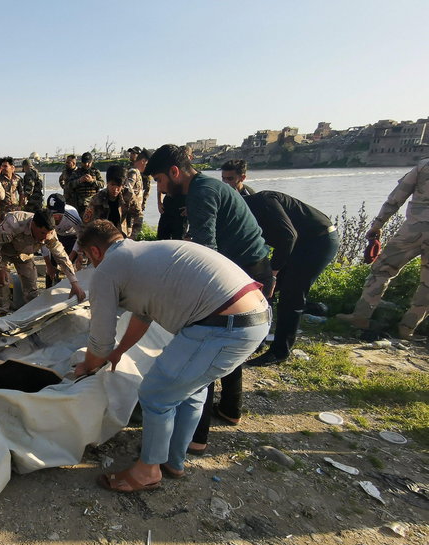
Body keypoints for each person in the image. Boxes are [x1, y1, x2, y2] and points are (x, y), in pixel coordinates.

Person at [74, 220, 269, 492]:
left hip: (224, 326)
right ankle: (174, 462)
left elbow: (100, 338)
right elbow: (143, 316)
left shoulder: (108, 268)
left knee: (156, 393)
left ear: (95, 252)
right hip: (255, 316)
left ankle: (147, 472)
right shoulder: (143, 254)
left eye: (86, 257)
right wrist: (119, 353)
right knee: (191, 391)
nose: (90, 263)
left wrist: (89, 365)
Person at [146, 144, 272, 454]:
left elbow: (206, 253)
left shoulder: (201, 192)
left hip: (238, 271)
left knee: (208, 347)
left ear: (175, 172)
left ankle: (196, 438)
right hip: (250, 267)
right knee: (230, 346)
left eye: (160, 180)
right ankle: (231, 409)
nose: (161, 189)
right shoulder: (207, 187)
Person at [243, 191, 339, 366]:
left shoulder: (262, 202)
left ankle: (279, 352)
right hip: (299, 243)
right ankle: (259, 341)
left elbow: (288, 236)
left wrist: (273, 273)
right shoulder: (244, 212)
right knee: (264, 291)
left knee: (291, 295)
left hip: (319, 240)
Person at [337, 159, 429, 340]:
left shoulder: (424, 166)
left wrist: (378, 224)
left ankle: (360, 317)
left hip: (414, 230)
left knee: (382, 269)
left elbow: (397, 197)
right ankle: (407, 329)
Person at [0, 209, 85, 315]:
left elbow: (61, 256)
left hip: (25, 254)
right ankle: (2, 315)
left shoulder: (49, 233)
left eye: (48, 234)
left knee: (30, 284)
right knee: (1, 280)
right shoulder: (14, 223)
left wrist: (74, 283)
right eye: (42, 233)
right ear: (33, 225)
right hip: (3, 252)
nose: (44, 239)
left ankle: (31, 314)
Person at [85, 165, 141, 237]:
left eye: (118, 186)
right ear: (107, 183)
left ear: (123, 185)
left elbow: (138, 215)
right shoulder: (97, 198)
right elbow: (86, 223)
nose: (115, 189)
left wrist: (132, 237)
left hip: (122, 235)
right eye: (112, 185)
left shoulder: (128, 196)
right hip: (103, 237)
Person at [42, 193, 83, 286]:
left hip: (73, 237)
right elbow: (44, 242)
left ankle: (72, 287)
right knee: (52, 264)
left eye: (58, 214)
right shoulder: (45, 216)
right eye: (53, 214)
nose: (55, 217)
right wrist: (48, 265)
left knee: (70, 265)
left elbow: (81, 235)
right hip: (56, 236)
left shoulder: (72, 214)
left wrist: (72, 256)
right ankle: (48, 290)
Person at [0, 157, 24, 222]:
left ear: (12, 167)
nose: (3, 168)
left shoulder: (17, 178)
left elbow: (21, 193)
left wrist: (20, 206)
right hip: (3, 210)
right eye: (2, 166)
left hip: (15, 209)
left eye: (5, 166)